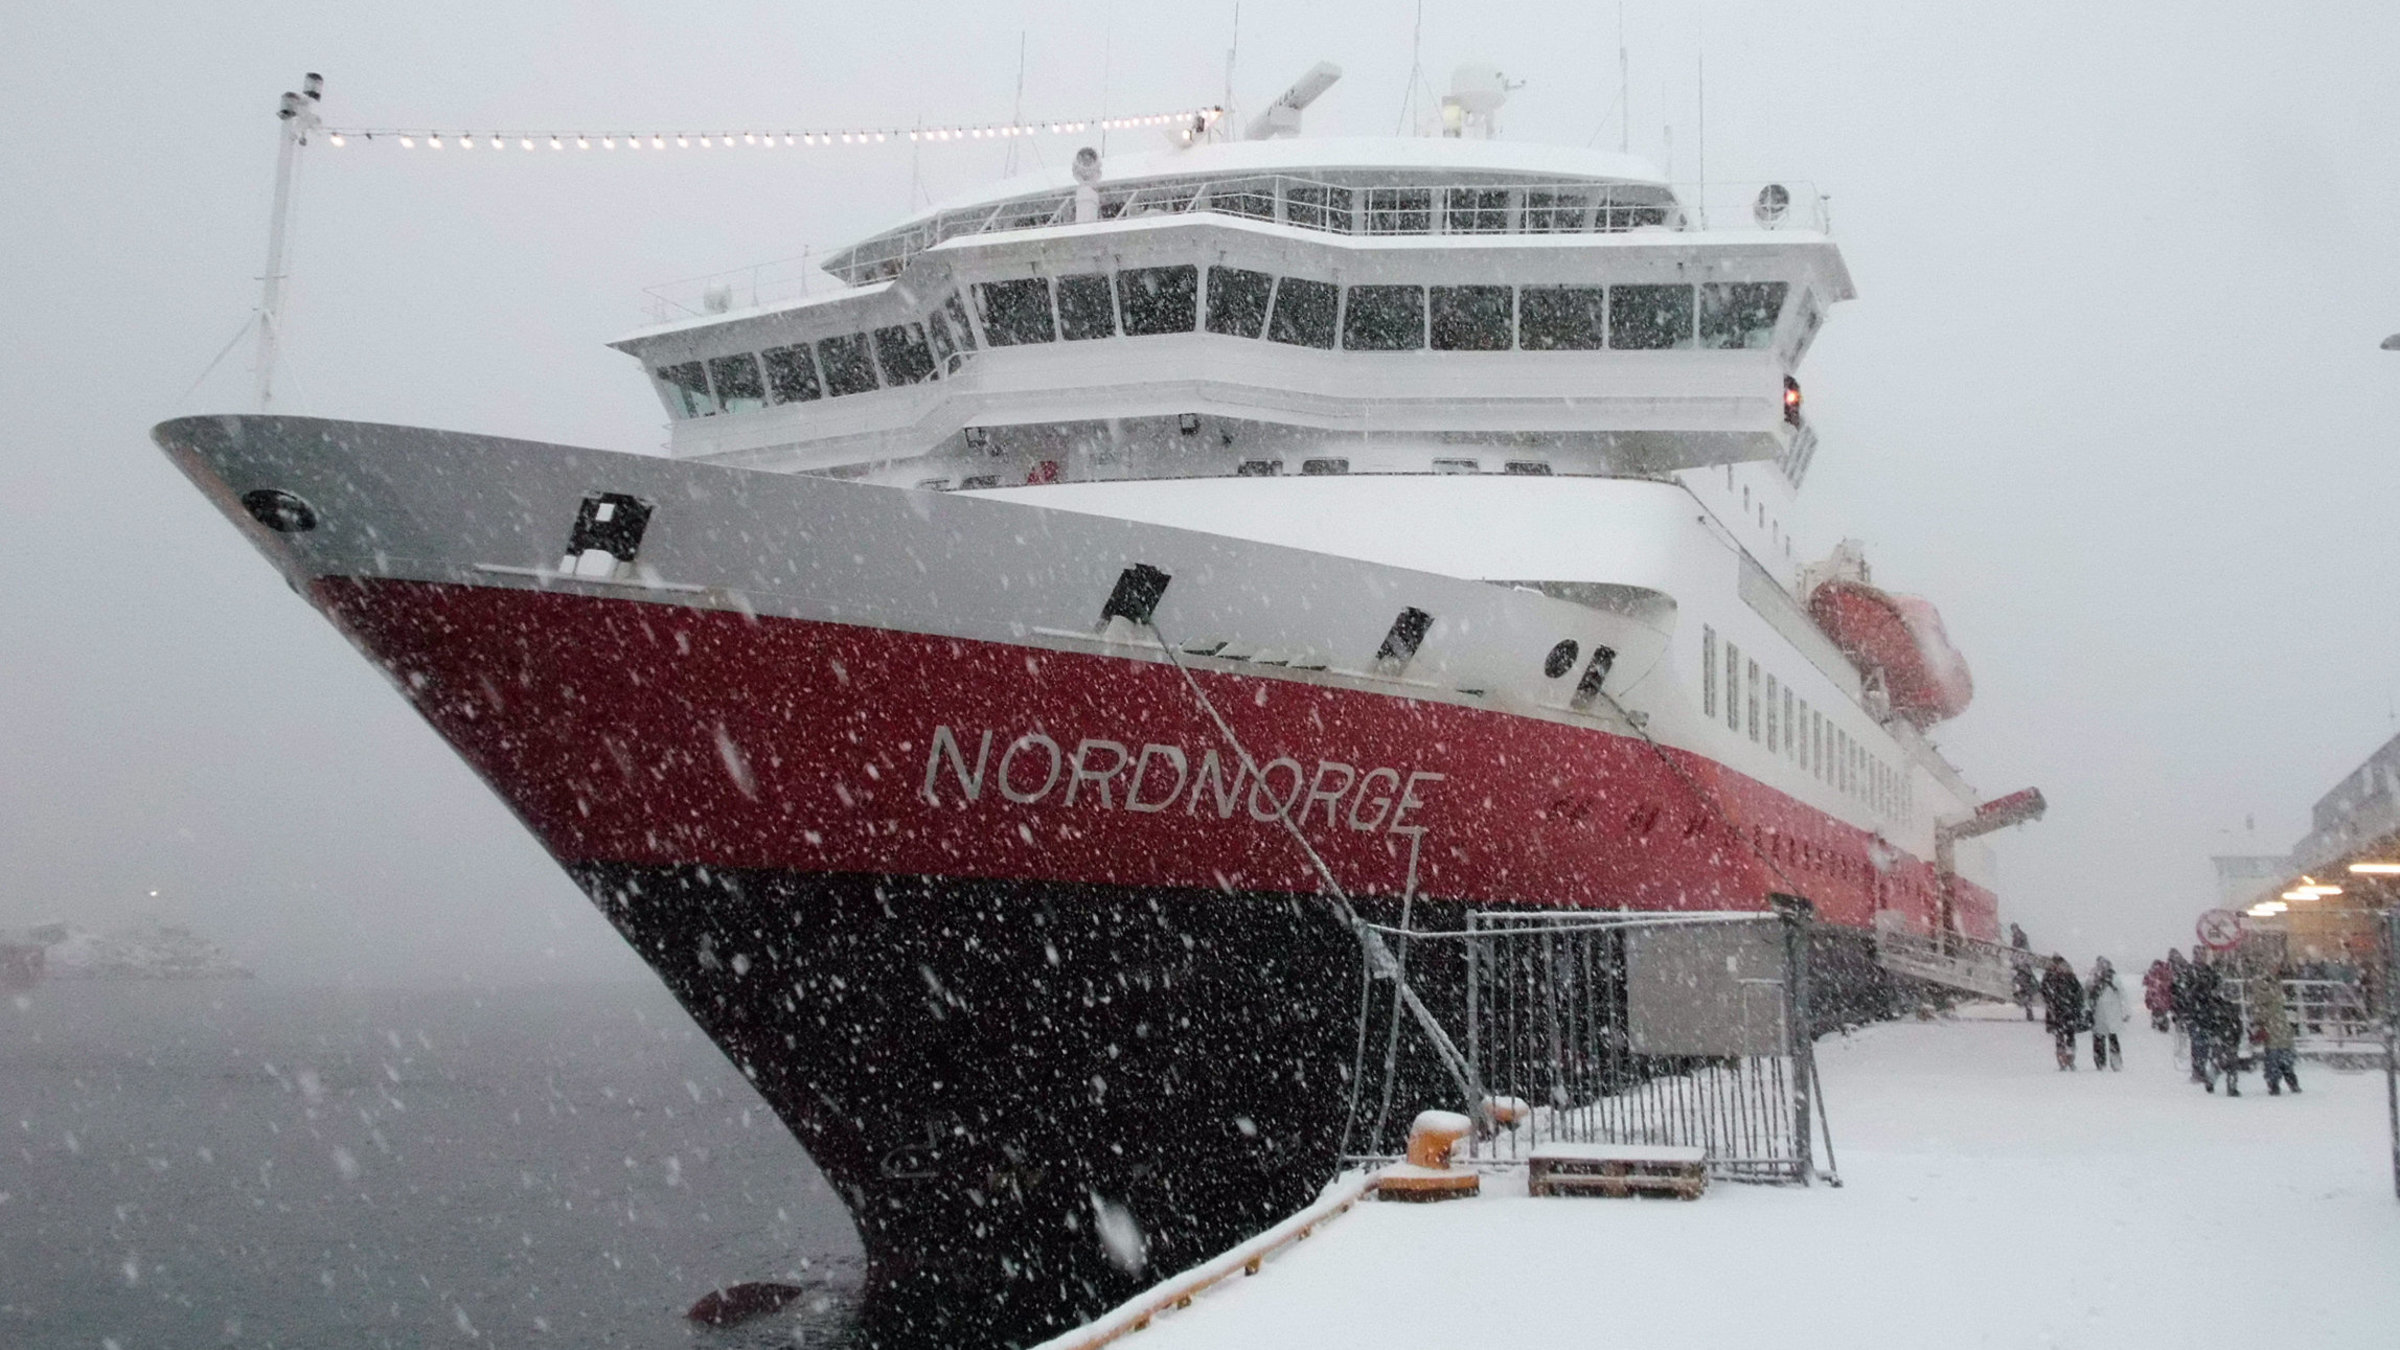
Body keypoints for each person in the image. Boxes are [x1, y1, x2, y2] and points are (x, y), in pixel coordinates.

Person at [2192, 959, 2242, 1096]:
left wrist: (2237, 1033)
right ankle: (2212, 1081)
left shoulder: (2227, 1006)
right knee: (2220, 1061)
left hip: (2227, 1034)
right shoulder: (2211, 1003)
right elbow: (2206, 1018)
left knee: (2230, 1063)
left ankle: (2231, 1087)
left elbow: (2237, 1022)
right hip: (2220, 1034)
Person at [2250, 967, 2300, 1096]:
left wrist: (2255, 1025)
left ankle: (2274, 1085)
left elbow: (2259, 1017)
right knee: (2286, 1062)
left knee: (2272, 1062)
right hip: (2283, 1033)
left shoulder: (2261, 1003)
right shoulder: (2278, 996)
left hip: (2271, 1035)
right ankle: (2292, 1083)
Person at [2039, 956, 2085, 1070]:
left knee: (2061, 1036)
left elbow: (2045, 992)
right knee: (2067, 1035)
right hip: (2066, 1010)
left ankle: (2064, 1059)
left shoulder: (2051, 977)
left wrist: (2051, 1002)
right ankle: (2068, 1058)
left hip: (2059, 1011)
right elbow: (2079, 993)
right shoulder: (2067, 977)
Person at [2087, 957, 2129, 1070]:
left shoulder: (2115, 979)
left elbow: (2123, 996)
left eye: (2104, 965)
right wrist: (2087, 1010)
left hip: (2111, 1014)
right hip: (2098, 1014)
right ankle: (2100, 1063)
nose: (2102, 967)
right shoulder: (2092, 979)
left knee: (2112, 1038)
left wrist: (2126, 1011)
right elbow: (2087, 996)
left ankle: (2115, 1062)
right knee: (2099, 1038)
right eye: (2100, 965)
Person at [2142, 958, 2173, 1033]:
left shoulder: (2152, 975)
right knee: (2161, 1017)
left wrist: (2148, 1001)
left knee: (2157, 1018)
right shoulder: (2165, 973)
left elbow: (2148, 989)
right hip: (2163, 1002)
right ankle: (2162, 1027)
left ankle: (2157, 1027)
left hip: (2156, 1003)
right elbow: (2169, 988)